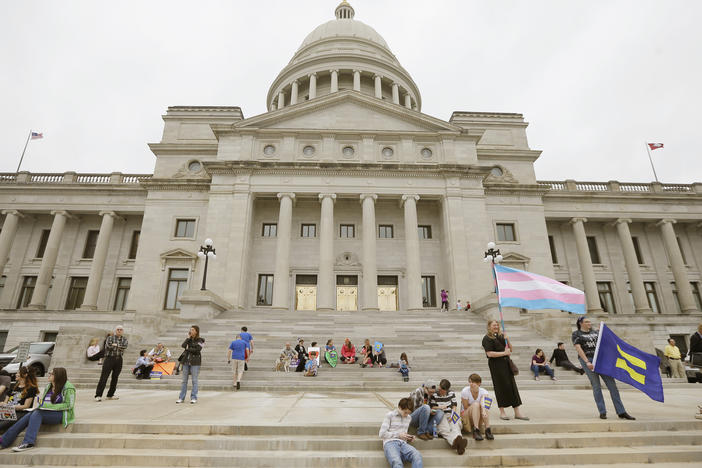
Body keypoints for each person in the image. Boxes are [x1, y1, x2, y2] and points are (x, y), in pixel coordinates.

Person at [572, 316, 635, 420]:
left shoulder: (596, 332)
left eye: (589, 322)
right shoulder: (576, 334)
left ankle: (621, 411)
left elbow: (606, 344)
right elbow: (578, 348)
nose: (589, 323)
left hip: (602, 360)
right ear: (580, 323)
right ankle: (602, 411)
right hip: (588, 360)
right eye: (587, 322)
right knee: (596, 386)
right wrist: (587, 361)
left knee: (612, 386)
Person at [0, 367, 75, 452]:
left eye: (51, 374)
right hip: (46, 412)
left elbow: (69, 405)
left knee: (37, 413)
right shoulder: (49, 386)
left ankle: (28, 442)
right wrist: (41, 405)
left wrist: (48, 406)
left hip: (60, 414)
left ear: (58, 376)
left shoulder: (68, 387)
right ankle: (3, 441)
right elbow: (43, 402)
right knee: (32, 414)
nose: (49, 375)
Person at [482, 320, 529, 421]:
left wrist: (508, 339)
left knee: (512, 387)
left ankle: (517, 412)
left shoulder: (502, 336)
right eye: (494, 325)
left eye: (497, 325)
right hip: (496, 365)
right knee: (500, 387)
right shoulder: (487, 338)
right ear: (489, 327)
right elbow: (489, 354)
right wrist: (504, 353)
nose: (496, 326)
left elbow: (510, 349)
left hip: (506, 364)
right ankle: (502, 412)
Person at [379, 397, 423, 468]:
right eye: (405, 412)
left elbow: (403, 434)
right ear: (399, 407)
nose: (406, 415)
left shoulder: (409, 418)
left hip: (403, 444)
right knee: (397, 462)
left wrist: (408, 437)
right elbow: (382, 434)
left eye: (408, 413)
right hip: (390, 443)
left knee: (417, 455)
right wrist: (398, 435)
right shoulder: (390, 415)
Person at [428, 379, 468, 455]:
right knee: (446, 429)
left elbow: (454, 406)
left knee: (455, 426)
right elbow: (432, 407)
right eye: (440, 389)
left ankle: (458, 442)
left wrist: (452, 415)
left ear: (447, 389)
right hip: (440, 415)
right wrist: (440, 407)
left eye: (443, 391)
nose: (441, 392)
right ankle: (458, 444)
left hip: (451, 414)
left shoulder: (451, 393)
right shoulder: (434, 394)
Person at [94, 325, 128, 402]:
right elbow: (109, 346)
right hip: (109, 359)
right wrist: (119, 346)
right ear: (116, 331)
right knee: (104, 377)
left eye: (121, 330)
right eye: (118, 329)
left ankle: (110, 394)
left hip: (119, 359)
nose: (119, 331)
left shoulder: (125, 339)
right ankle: (98, 395)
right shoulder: (110, 338)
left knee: (115, 377)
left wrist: (115, 345)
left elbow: (124, 347)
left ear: (122, 331)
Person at [0, 367, 39, 432]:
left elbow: (26, 406)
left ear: (25, 375)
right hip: (8, 411)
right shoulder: (13, 386)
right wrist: (3, 404)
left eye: (18, 373)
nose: (16, 374)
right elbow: (5, 401)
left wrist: (11, 407)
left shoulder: (31, 388)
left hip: (20, 413)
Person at [460, 373, 493, 441]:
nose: (471, 384)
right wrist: (478, 406)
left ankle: (488, 429)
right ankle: (476, 430)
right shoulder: (465, 391)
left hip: (478, 417)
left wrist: (483, 409)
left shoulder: (484, 391)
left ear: (479, 383)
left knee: (484, 405)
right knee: (476, 404)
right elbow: (465, 407)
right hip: (466, 416)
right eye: (470, 382)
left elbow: (485, 404)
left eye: (473, 382)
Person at [177, 325, 205, 404]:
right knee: (184, 381)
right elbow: (183, 345)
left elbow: (197, 350)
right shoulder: (188, 339)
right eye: (190, 330)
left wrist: (188, 348)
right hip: (186, 361)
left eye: (192, 330)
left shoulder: (201, 340)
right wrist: (188, 338)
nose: (191, 331)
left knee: (194, 380)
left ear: (196, 331)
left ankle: (193, 397)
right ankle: (181, 398)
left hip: (195, 362)